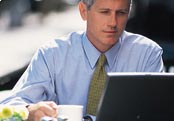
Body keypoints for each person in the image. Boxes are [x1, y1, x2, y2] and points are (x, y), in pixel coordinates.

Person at [0, 0, 164, 120]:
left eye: (121, 13)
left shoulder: (147, 53)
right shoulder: (52, 54)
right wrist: (30, 111)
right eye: (105, 12)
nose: (113, 22)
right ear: (83, 11)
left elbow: (158, 113)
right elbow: (8, 107)